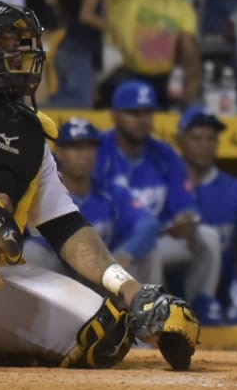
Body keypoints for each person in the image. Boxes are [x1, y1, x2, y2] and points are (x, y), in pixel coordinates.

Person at [0, 0, 197, 369]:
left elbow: (66, 227)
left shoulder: (29, 136)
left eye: (15, 45)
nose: (10, 54)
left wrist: (131, 289)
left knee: (104, 334)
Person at [95, 80, 223, 321]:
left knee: (208, 237)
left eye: (147, 112)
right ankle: (148, 322)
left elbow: (184, 205)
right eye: (133, 113)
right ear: (114, 115)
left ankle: (195, 316)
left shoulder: (164, 155)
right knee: (147, 248)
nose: (142, 119)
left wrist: (186, 219)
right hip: (107, 241)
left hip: (153, 238)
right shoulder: (99, 151)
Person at [29, 117, 160, 283]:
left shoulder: (109, 191)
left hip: (104, 272)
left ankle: (151, 308)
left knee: (148, 251)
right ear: (59, 152)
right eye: (75, 148)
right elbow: (44, 242)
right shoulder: (46, 192)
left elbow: (148, 222)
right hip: (63, 274)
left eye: (89, 147)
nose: (83, 155)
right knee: (31, 252)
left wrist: (125, 254)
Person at [175, 107, 237, 325]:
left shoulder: (235, 189)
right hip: (168, 283)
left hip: (222, 290)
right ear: (180, 142)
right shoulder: (167, 184)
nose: (205, 146)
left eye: (211, 139)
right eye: (197, 138)